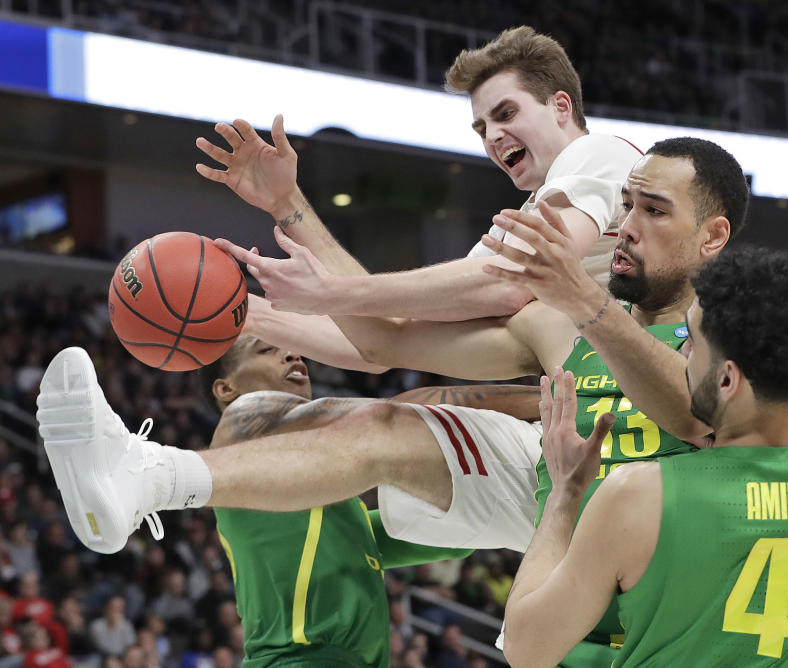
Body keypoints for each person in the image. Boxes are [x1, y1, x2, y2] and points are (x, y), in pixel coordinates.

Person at [37, 137, 746, 665]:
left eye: (653, 209)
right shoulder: (555, 322)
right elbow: (384, 342)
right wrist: (288, 214)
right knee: (377, 421)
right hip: (562, 512)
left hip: (670, 551)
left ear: (714, 236)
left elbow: (690, 411)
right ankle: (148, 475)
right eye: (625, 205)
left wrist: (586, 300)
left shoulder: (739, 325)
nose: (626, 225)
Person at [500, 247, 788, 667]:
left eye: (691, 343)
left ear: (727, 378)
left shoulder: (638, 496)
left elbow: (526, 649)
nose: (681, 355)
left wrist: (564, 493)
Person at [195, 26, 641, 365]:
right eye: (482, 128)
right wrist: (236, 305)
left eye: (506, 114)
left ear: (561, 107)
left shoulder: (598, 152)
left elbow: (509, 284)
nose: (493, 137)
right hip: (590, 397)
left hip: (653, 384)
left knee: (395, 425)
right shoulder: (523, 222)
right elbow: (383, 341)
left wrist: (334, 292)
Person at [199, 333, 546, 666]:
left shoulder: (334, 502)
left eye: (290, 348)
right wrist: (548, 399)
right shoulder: (240, 443)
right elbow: (398, 413)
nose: (291, 354)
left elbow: (435, 539)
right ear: (225, 388)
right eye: (266, 350)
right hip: (298, 660)